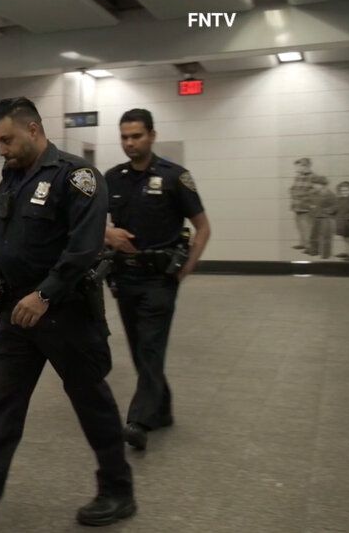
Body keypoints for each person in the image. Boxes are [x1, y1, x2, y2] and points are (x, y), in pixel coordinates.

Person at [0, 97, 134, 532]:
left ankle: (118, 490)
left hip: (66, 314)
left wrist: (45, 295)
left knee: (92, 402)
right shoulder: (12, 178)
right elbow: (3, 243)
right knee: (1, 407)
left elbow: (85, 247)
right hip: (17, 316)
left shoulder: (77, 177)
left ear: (34, 129)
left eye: (7, 140)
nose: (1, 149)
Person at [103, 108, 211, 450]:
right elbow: (91, 220)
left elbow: (203, 226)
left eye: (136, 136)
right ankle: (161, 408)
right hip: (124, 277)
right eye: (124, 137)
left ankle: (139, 420)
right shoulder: (113, 177)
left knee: (150, 347)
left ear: (152, 135)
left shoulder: (174, 177)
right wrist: (108, 234)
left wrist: (189, 265)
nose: (130, 143)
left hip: (159, 280)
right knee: (139, 349)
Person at [307, 175, 337, 259]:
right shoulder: (313, 193)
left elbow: (335, 206)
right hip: (315, 217)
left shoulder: (330, 194)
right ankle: (314, 251)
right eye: (313, 184)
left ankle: (325, 254)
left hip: (326, 218)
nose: (314, 186)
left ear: (323, 184)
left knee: (326, 236)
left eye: (316, 184)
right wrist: (310, 206)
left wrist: (327, 211)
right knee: (313, 235)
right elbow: (308, 202)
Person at [290, 158, 314, 250]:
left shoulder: (313, 177)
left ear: (305, 166)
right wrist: (292, 191)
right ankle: (302, 243)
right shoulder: (298, 176)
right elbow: (293, 188)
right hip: (296, 206)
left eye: (298, 166)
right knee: (299, 226)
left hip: (306, 207)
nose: (296, 168)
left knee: (307, 226)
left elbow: (314, 191)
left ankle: (309, 246)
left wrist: (300, 194)